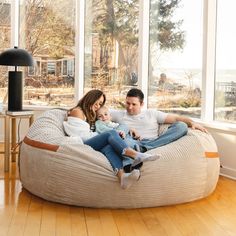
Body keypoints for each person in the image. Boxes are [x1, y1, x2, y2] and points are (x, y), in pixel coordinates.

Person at [63, 89, 160, 189]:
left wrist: (129, 128)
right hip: (83, 143)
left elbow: (107, 118)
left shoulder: (91, 112)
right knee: (111, 133)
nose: (98, 106)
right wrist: (101, 136)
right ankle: (135, 155)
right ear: (90, 98)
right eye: (96, 102)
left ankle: (122, 177)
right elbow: (82, 135)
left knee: (109, 147)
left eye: (100, 104)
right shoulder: (78, 111)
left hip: (92, 142)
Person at [111, 88, 208, 152]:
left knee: (181, 126)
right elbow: (100, 112)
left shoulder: (151, 113)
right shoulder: (119, 114)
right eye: (127, 103)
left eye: (134, 104)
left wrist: (192, 122)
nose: (130, 107)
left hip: (155, 142)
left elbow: (176, 118)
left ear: (141, 104)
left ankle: (145, 148)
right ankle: (141, 149)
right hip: (133, 143)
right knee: (123, 143)